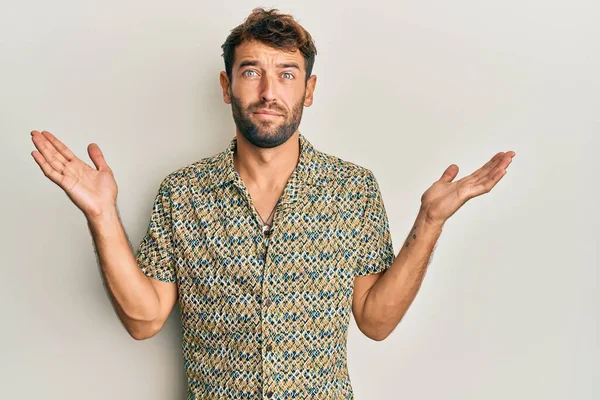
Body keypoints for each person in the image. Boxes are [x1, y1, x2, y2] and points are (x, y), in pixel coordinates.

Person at [30, 7, 515, 400]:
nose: (268, 92)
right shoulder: (182, 194)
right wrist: (101, 215)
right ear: (227, 87)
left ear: (309, 90)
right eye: (251, 72)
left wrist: (429, 221)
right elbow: (145, 318)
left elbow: (376, 319)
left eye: (286, 74)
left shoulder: (353, 189)